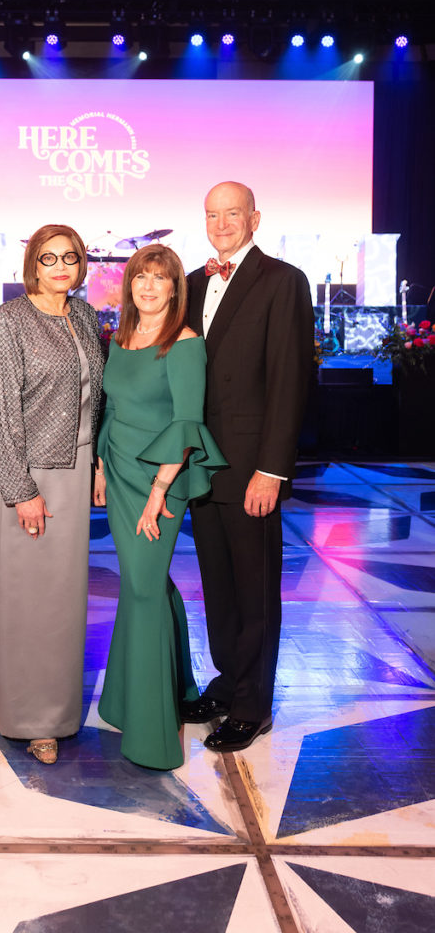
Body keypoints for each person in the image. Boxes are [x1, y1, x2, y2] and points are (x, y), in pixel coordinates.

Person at [184, 181, 314, 751]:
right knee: (217, 583)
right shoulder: (190, 283)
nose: (221, 223)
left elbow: (291, 382)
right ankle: (228, 678)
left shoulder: (284, 280)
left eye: (232, 213)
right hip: (202, 463)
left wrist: (273, 469)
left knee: (255, 587)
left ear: (254, 218)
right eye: (213, 214)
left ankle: (252, 703)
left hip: (251, 467)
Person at [94, 244, 227, 770]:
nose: (147, 287)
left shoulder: (186, 343)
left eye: (159, 279)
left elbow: (187, 424)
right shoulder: (121, 338)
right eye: (140, 277)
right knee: (141, 584)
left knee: (146, 588)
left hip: (159, 482)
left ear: (176, 288)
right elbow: (112, 407)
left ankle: (152, 734)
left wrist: (157, 494)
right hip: (120, 471)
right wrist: (102, 467)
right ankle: (137, 699)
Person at [0, 224, 104, 765]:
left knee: (63, 600)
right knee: (26, 601)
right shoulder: (9, 321)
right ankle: (29, 719)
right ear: (33, 263)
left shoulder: (83, 315)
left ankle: (57, 710)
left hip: (76, 472)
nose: (60, 267)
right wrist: (20, 489)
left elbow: (94, 400)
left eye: (70, 258)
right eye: (49, 258)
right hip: (28, 476)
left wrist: (97, 459)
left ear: (81, 265)